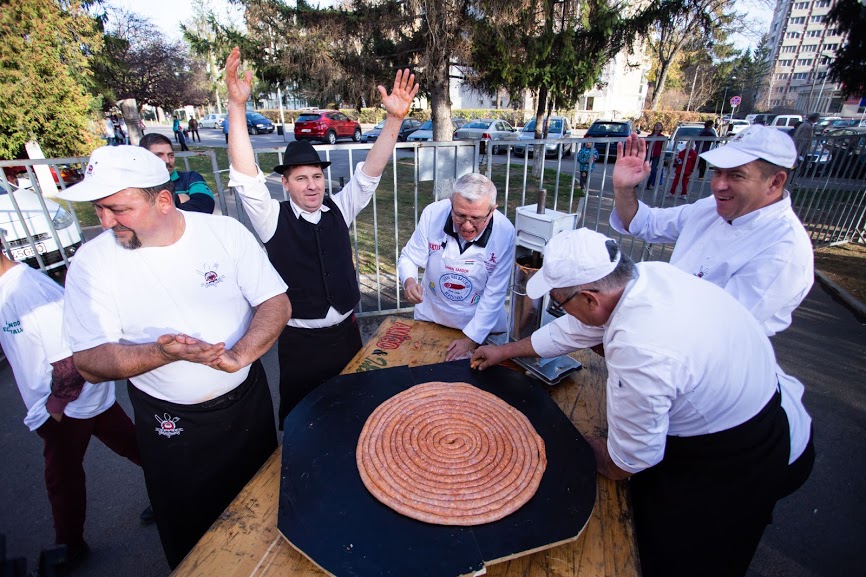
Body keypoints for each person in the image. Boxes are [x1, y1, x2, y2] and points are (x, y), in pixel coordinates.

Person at [471, 229, 813, 577]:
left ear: (590, 298)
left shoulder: (641, 347)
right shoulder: (645, 277)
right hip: (741, 406)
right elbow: (576, 330)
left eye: (560, 302)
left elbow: (628, 461)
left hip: (736, 456)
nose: (561, 310)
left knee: (679, 553)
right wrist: (504, 351)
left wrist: (574, 446)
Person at [58, 145, 291, 569]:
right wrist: (160, 354)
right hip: (169, 423)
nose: (105, 222)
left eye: (118, 209)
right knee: (190, 531)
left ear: (162, 201)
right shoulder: (91, 263)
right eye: (99, 209)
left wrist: (240, 356)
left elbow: (276, 303)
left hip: (247, 404)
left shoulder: (224, 233)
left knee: (262, 507)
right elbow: (89, 361)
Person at [224, 46, 419, 427]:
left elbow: (370, 173)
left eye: (317, 176)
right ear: (285, 183)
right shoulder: (271, 218)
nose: (312, 186)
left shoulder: (338, 208)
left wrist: (394, 120)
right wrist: (237, 108)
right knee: (305, 425)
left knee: (353, 417)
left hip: (346, 336)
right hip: (301, 346)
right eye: (301, 178)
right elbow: (246, 177)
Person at [0, 251, 142, 571]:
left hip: (70, 402)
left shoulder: (28, 292)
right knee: (133, 445)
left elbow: (70, 358)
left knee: (61, 478)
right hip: (76, 400)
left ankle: (70, 547)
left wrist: (55, 406)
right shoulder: (10, 289)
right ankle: (174, 492)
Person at [609, 125, 813, 338]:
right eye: (717, 172)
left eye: (737, 176)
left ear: (775, 182)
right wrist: (624, 189)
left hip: (707, 355)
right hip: (665, 331)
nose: (719, 185)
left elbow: (719, 324)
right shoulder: (711, 208)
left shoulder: (784, 248)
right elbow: (646, 223)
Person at [397, 173, 515, 360]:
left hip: (477, 323)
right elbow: (409, 257)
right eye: (459, 215)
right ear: (450, 203)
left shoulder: (505, 232)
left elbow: (494, 293)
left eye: (476, 218)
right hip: (432, 317)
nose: (467, 226)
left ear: (492, 211)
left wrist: (471, 339)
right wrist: (409, 282)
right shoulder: (433, 213)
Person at [140, 133, 215, 213]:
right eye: (159, 155)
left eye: (171, 155)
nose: (167, 161)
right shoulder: (136, 184)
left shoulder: (190, 178)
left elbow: (205, 206)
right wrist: (177, 199)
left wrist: (156, 206)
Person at [645, 122, 666, 187]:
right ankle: (636, 182)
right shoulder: (649, 136)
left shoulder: (662, 137)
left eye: (659, 126)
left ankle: (649, 183)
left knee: (653, 170)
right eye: (656, 125)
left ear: (661, 128)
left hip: (656, 156)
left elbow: (663, 147)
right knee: (643, 168)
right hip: (648, 154)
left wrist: (662, 156)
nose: (657, 127)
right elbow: (645, 144)